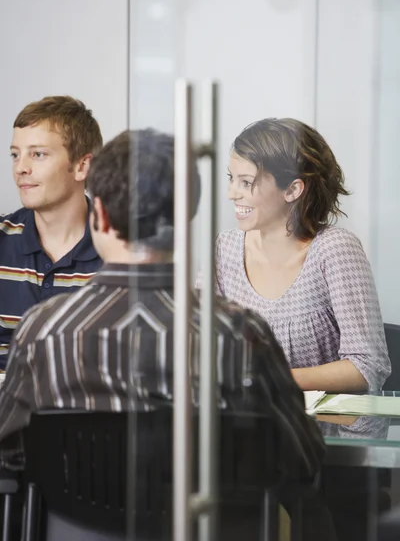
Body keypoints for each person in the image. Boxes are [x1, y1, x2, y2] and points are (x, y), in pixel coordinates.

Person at [0, 129, 331, 540]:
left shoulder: (43, 332)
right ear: (186, 219)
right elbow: (301, 457)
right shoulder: (239, 335)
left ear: (97, 215)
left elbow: (9, 457)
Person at [206, 117, 390, 392]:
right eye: (232, 179)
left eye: (246, 182)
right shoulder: (223, 250)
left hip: (326, 432)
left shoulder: (335, 250)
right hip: (248, 427)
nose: (232, 193)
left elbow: (367, 367)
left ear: (292, 189)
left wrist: (271, 379)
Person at [0, 96, 103, 367]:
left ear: (82, 166)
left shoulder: (121, 250)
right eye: (15, 154)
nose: (20, 168)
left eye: (38, 154)